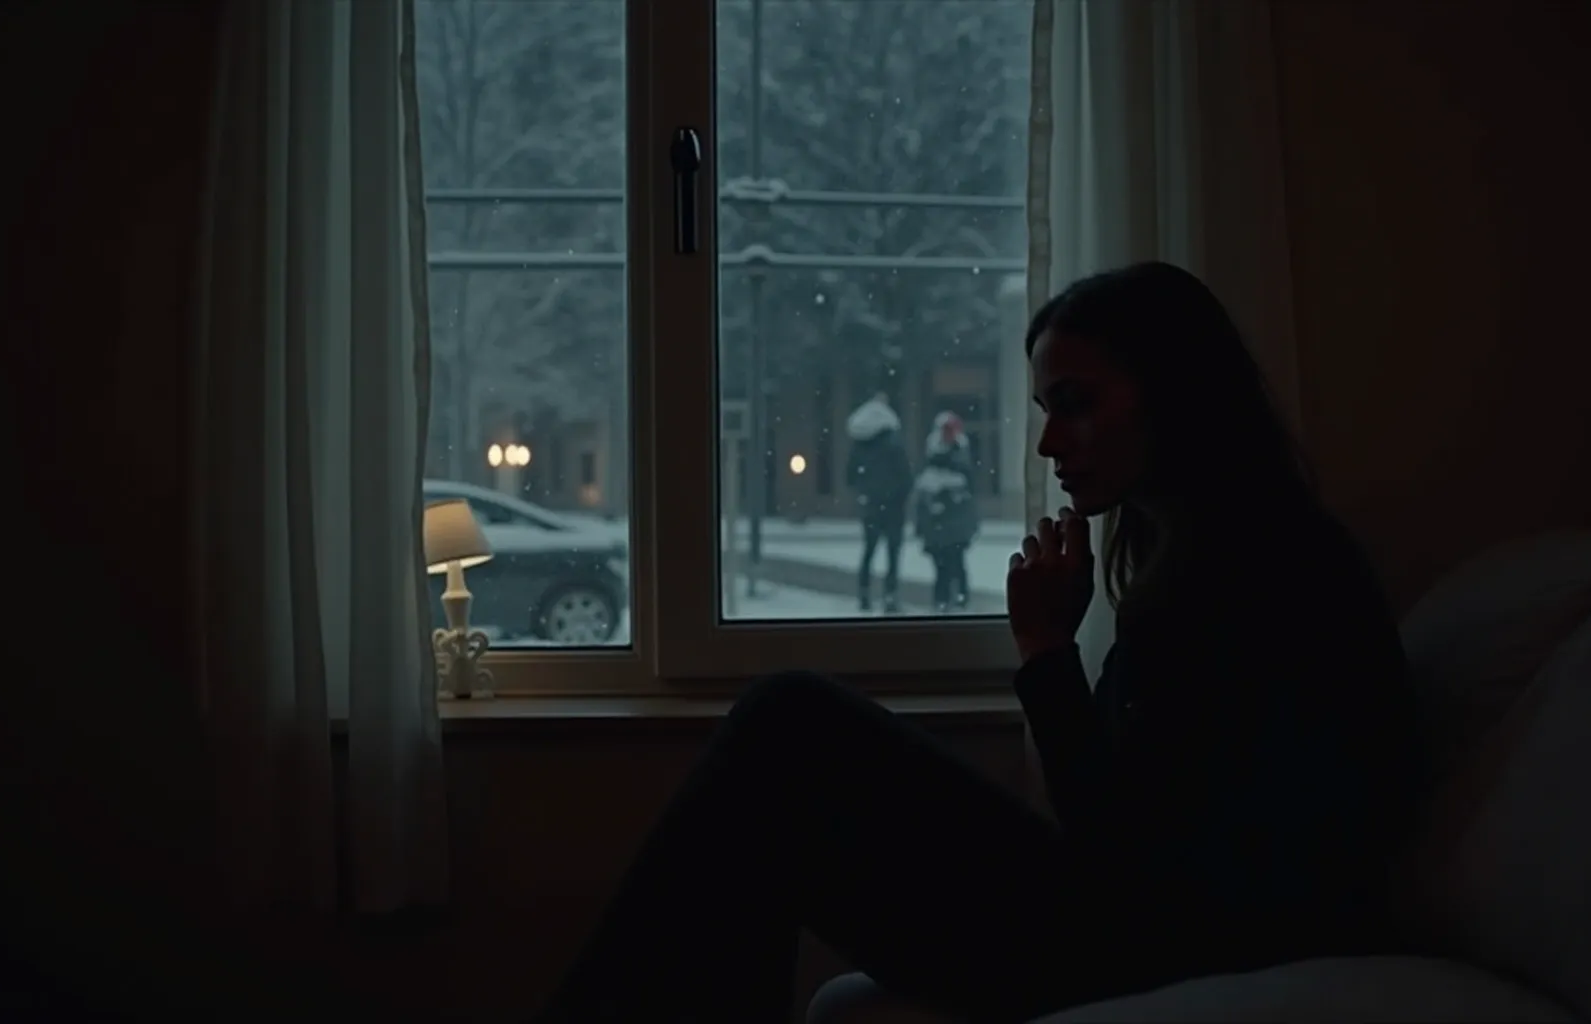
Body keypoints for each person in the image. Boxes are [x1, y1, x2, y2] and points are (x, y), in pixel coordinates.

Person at [535, 263, 1421, 1024]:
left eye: (1076, 404)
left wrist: (1047, 654)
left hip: (1172, 947)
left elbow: (1127, 847)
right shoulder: (1200, 561)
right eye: (1044, 409)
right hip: (1145, 925)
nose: (1049, 441)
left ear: (1177, 389)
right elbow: (1126, 818)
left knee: (787, 725)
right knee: (782, 751)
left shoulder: (1265, 573)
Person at [845, 392, 912, 613]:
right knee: (892, 554)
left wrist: (865, 491)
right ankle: (890, 596)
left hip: (871, 504)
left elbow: (850, 475)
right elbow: (905, 476)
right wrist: (900, 495)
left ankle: (864, 594)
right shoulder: (894, 442)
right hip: (893, 506)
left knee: (869, 550)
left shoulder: (860, 444)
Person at [914, 410, 981, 613]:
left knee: (955, 563)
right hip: (938, 524)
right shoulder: (934, 458)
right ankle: (944, 602)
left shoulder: (960, 459)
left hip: (954, 524)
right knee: (942, 567)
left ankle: (958, 600)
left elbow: (968, 494)